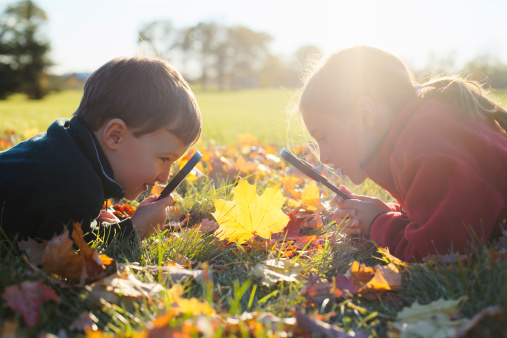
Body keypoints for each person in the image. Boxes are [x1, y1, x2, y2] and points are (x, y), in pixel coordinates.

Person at [298, 45, 507, 262]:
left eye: (323, 137)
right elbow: (447, 211)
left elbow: (436, 252)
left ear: (365, 114)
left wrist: (378, 223)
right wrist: (386, 212)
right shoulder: (422, 127)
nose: (324, 157)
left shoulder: (426, 145)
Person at [0, 56, 201, 244]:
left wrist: (90, 219)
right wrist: (134, 229)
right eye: (164, 159)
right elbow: (72, 252)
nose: (165, 177)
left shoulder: (65, 147)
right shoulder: (76, 186)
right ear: (115, 135)